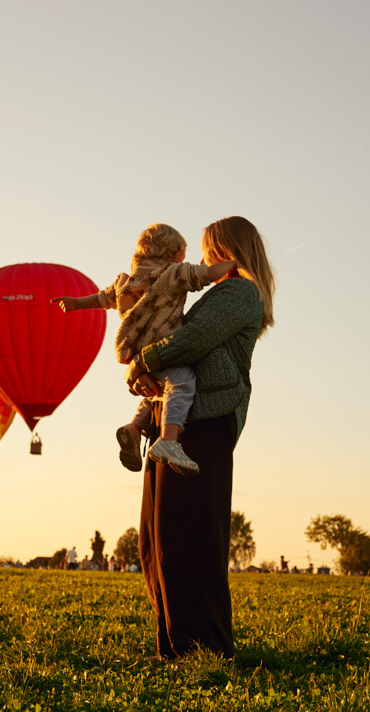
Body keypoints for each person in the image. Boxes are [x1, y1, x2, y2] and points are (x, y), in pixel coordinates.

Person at [125, 215, 275, 661]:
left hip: (205, 419)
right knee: (155, 539)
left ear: (225, 248)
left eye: (208, 246)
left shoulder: (239, 291)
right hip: (173, 418)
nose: (202, 257)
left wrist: (140, 361)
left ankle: (203, 649)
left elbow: (194, 340)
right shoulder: (220, 293)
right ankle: (171, 645)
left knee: (188, 534)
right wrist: (145, 373)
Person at [52, 223, 235, 476]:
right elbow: (205, 274)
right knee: (183, 383)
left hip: (137, 351)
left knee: (157, 393)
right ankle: (169, 441)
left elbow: (104, 298)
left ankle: (134, 428)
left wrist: (75, 303)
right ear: (173, 254)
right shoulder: (173, 273)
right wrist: (234, 263)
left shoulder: (127, 281)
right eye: (182, 253)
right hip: (163, 348)